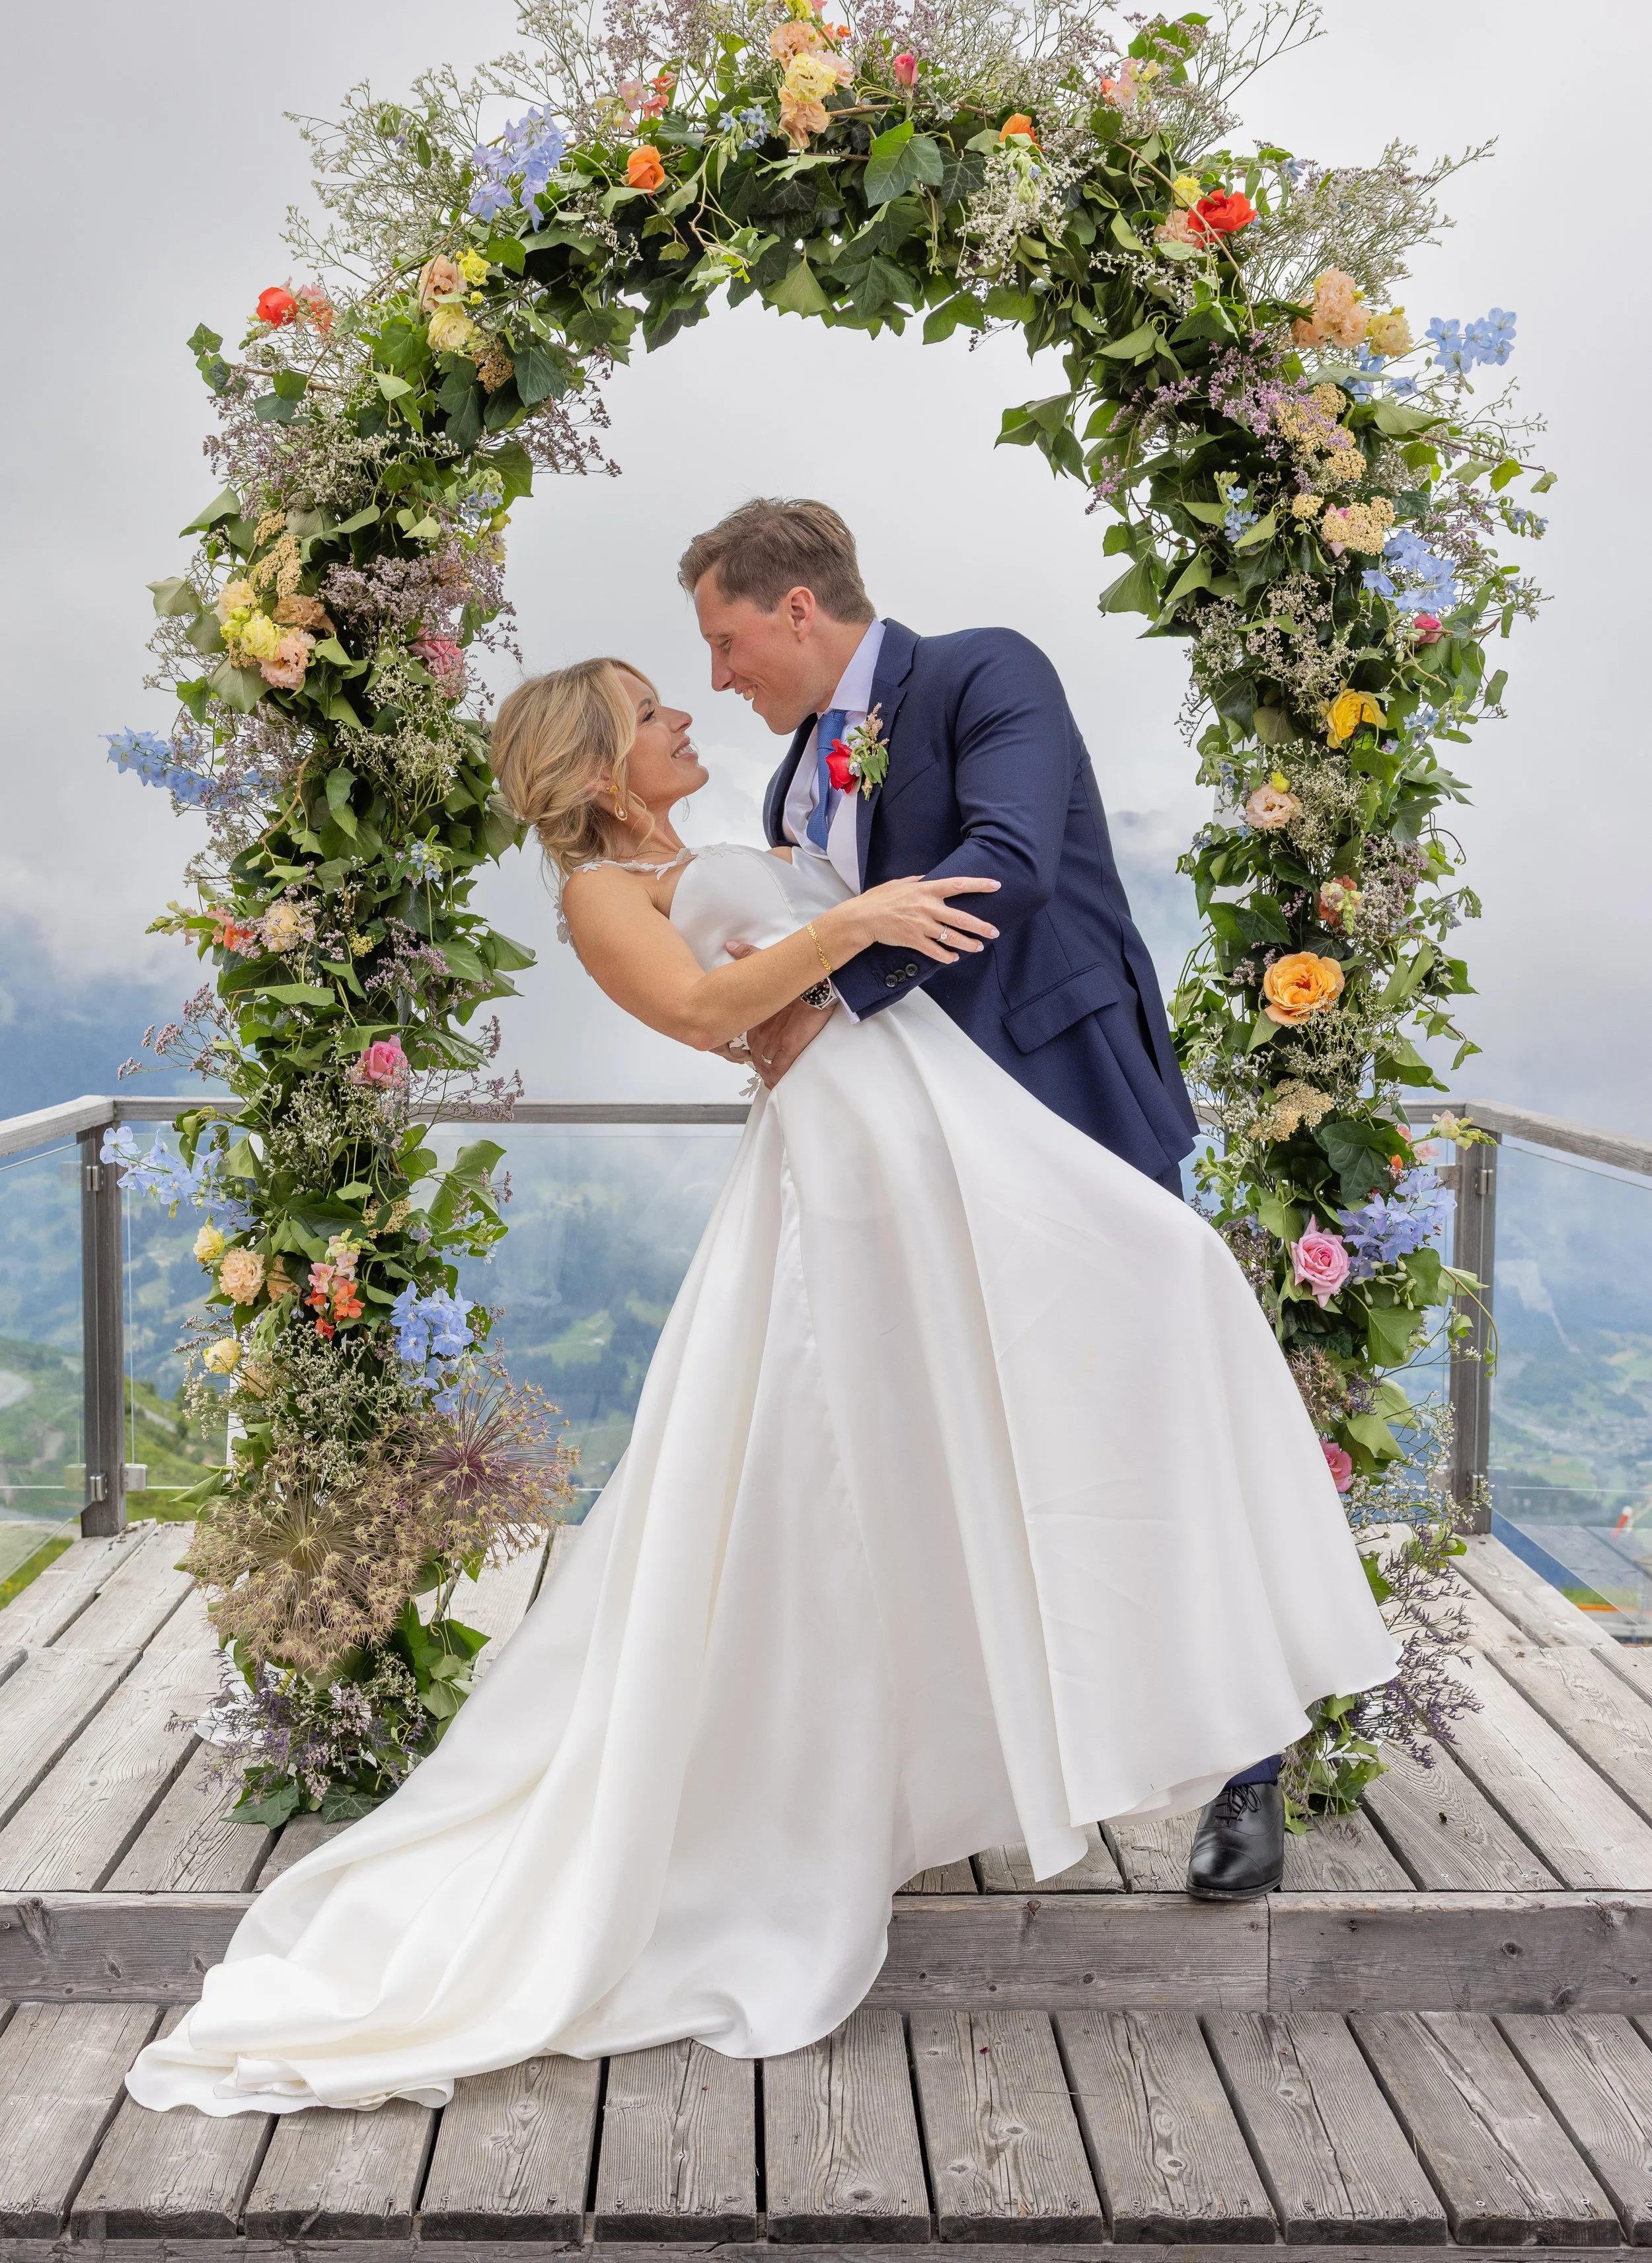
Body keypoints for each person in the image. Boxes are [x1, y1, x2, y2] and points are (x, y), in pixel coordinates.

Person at [126, 608, 1396, 2122]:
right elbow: (700, 1009)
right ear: (599, 770)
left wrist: (848, 935)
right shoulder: (600, 891)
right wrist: (852, 929)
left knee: (1157, 1290)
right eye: (654, 710)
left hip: (932, 1117)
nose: (689, 714)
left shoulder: (773, 808)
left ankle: (1165, 1711)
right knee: (838, 1462)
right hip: (851, 1160)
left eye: (694, 680)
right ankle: (828, 1785)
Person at [684, 498, 1295, 1898]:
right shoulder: (791, 783)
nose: (720, 677)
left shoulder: (980, 671)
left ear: (794, 609)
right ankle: (996, 1757)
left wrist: (828, 985)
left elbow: (1006, 864)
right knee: (979, 1441)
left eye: (725, 641)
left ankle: (1248, 1771)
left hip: (1063, 1099)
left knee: (1155, 1422)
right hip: (923, 1157)